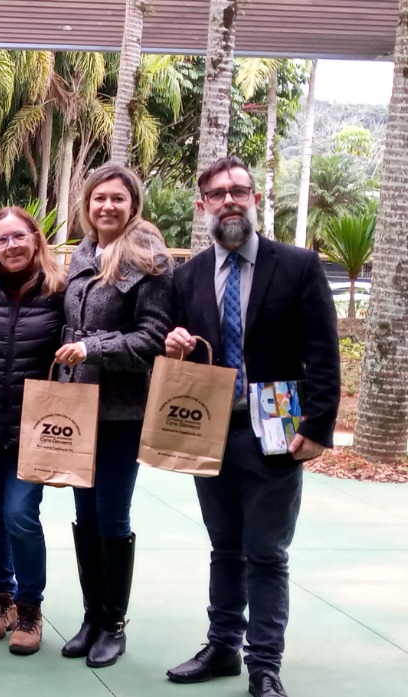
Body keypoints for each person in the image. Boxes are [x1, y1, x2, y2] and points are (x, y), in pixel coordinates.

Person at [163, 157, 339, 697]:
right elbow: (183, 359)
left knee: (267, 551)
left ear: (255, 199)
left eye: (240, 190)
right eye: (218, 193)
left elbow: (323, 353)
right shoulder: (187, 275)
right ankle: (222, 648)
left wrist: (318, 425)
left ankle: (265, 665)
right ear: (203, 206)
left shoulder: (298, 266)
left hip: (278, 433)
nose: (230, 200)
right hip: (210, 431)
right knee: (225, 548)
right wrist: (172, 348)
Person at [54, 163, 173, 668]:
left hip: (122, 410)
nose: (107, 206)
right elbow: (68, 323)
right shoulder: (82, 253)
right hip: (78, 407)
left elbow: (153, 338)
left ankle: (113, 624)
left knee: (112, 515)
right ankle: (91, 615)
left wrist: (92, 348)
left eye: (117, 199)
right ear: (87, 203)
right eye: (99, 198)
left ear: (133, 205)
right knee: (84, 515)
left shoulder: (150, 260)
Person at [0, 206, 65, 656]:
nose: (12, 246)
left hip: (35, 429)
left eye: (19, 236)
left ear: (36, 239)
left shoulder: (60, 292)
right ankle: (0, 600)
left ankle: (30, 607)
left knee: (22, 514)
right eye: (1, 240)